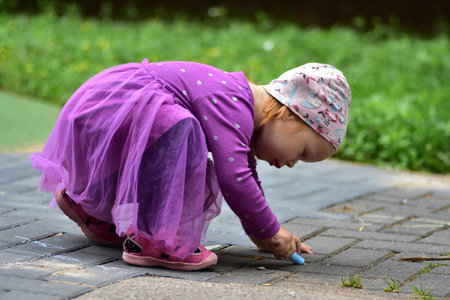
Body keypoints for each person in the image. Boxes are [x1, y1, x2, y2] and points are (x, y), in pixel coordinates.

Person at [31, 59, 351, 271]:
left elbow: (246, 175)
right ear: (288, 114)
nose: (293, 163)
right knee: (182, 133)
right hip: (117, 106)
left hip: (101, 105)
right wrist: (269, 230)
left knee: (168, 138)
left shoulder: (235, 102)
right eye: (304, 152)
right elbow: (235, 177)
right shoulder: (234, 102)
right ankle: (157, 242)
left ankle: (88, 202)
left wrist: (265, 233)